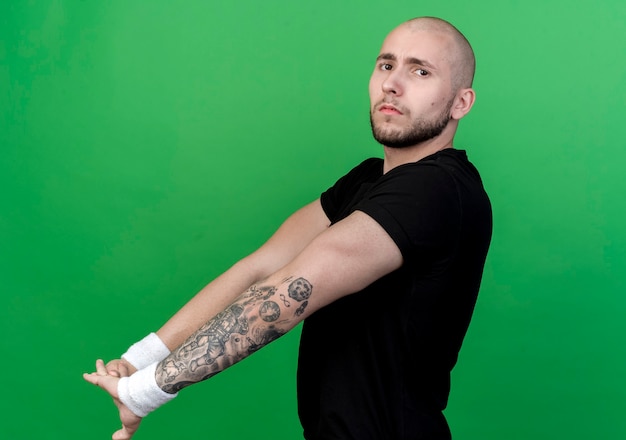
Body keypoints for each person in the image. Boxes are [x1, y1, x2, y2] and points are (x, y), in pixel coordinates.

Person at [84, 16, 492, 440]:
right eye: (386, 65)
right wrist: (141, 359)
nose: (392, 84)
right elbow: (262, 268)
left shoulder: (439, 188)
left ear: (461, 103)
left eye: (420, 71)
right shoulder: (369, 180)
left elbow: (291, 288)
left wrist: (144, 391)